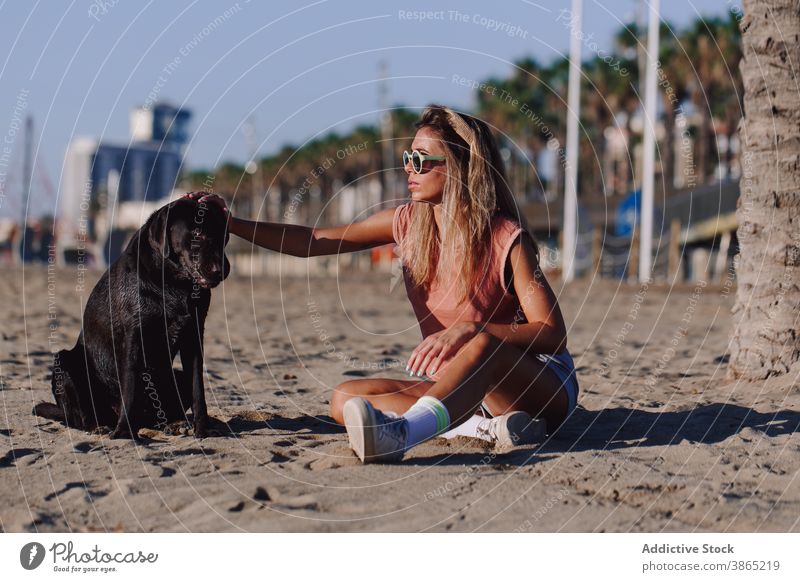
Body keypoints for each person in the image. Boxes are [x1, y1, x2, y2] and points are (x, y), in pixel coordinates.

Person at [189, 104, 579, 464]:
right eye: (407, 159)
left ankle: (403, 436)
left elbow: (552, 334)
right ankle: (485, 430)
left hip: (537, 383)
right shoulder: (408, 223)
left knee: (482, 346)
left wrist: (474, 329)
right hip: (465, 390)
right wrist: (230, 222)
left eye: (421, 161)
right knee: (345, 399)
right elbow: (313, 241)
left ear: (461, 166)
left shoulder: (507, 237)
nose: (409, 168)